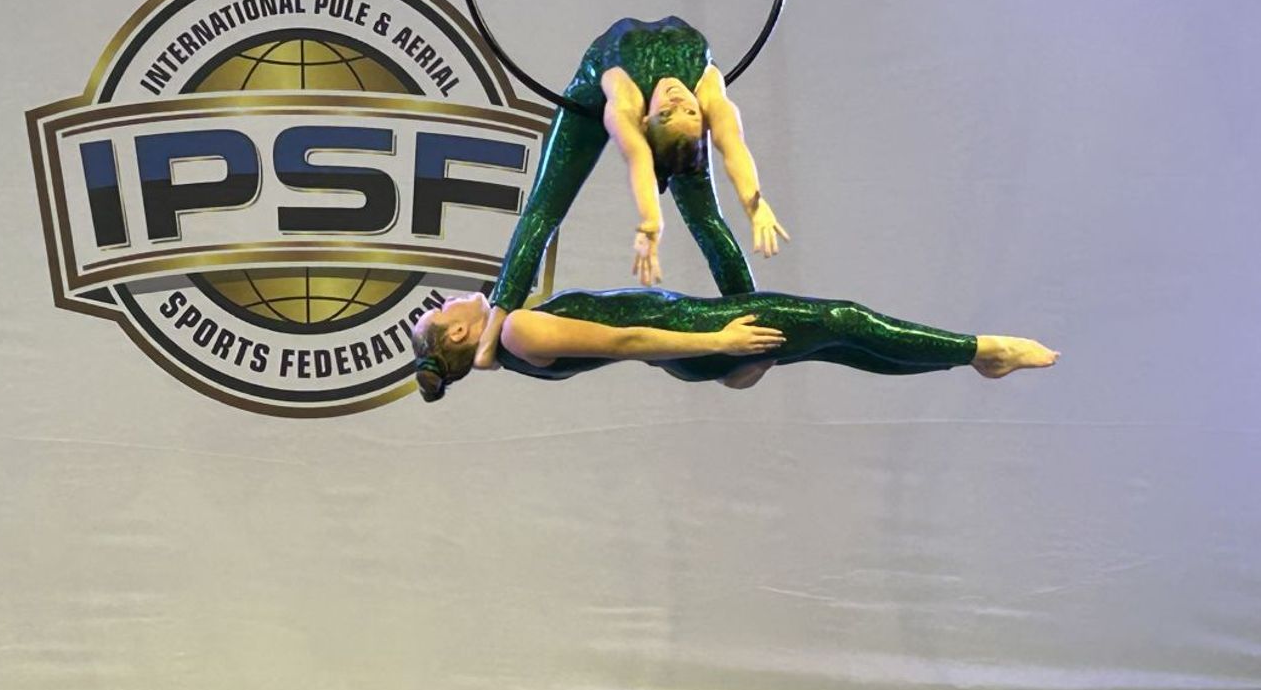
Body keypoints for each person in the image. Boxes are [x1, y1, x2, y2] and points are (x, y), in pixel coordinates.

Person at [476, 16, 789, 367]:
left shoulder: (638, 99)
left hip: (612, 87)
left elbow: (720, 144)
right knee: (544, 208)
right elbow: (650, 154)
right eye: (680, 112)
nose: (678, 98)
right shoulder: (691, 90)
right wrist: (655, 220)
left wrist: (753, 203)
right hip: (589, 92)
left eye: (676, 112)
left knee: (707, 220)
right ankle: (494, 325)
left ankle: (754, 327)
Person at [413, 288, 1057, 402]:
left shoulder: (515, 332)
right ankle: (981, 350)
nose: (453, 299)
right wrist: (717, 340)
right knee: (845, 318)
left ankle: (969, 361)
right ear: (460, 333)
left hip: (697, 344)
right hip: (702, 330)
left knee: (835, 344)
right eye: (443, 310)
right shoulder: (520, 332)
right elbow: (627, 340)